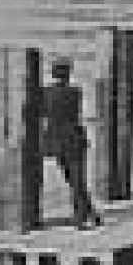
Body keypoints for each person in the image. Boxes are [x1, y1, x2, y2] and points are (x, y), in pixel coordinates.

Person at [41, 57, 99, 229]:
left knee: (73, 180)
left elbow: (41, 113)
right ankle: (83, 217)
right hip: (74, 139)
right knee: (77, 180)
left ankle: (88, 214)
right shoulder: (75, 92)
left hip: (55, 142)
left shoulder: (45, 93)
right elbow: (76, 114)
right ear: (68, 74)